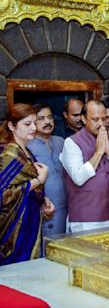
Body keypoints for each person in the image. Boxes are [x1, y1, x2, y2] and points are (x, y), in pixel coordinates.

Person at [60, 100, 109, 232]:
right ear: (84, 119)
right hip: (86, 219)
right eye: (95, 119)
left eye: (104, 118)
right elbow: (78, 178)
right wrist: (99, 152)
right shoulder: (72, 143)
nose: (101, 124)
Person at [0, 104, 55, 265]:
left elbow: (27, 188)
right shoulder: (9, 154)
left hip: (29, 223)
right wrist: (39, 180)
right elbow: (3, 195)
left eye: (34, 122)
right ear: (11, 126)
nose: (33, 128)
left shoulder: (26, 152)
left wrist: (43, 200)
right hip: (12, 231)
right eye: (27, 124)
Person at [27, 104, 67, 236]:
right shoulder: (28, 146)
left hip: (66, 206)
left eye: (50, 117)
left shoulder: (61, 141)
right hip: (45, 208)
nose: (47, 122)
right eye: (41, 118)